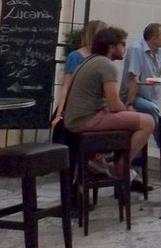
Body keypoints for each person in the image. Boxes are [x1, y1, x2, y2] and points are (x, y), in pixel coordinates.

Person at [65, 27, 155, 179]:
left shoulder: (90, 60)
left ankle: (97, 158)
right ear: (112, 47)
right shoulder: (106, 65)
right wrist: (129, 111)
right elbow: (114, 105)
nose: (124, 48)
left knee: (132, 119)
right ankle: (119, 167)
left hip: (75, 119)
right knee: (148, 122)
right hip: (86, 120)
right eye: (122, 44)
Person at [52, 19, 107, 128]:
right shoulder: (75, 56)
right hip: (77, 107)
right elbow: (66, 86)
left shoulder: (102, 58)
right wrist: (59, 114)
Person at [120, 22, 161, 145]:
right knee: (152, 109)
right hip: (133, 95)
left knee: (155, 109)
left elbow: (158, 72)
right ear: (153, 38)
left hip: (150, 96)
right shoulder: (136, 49)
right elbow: (133, 79)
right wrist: (129, 103)